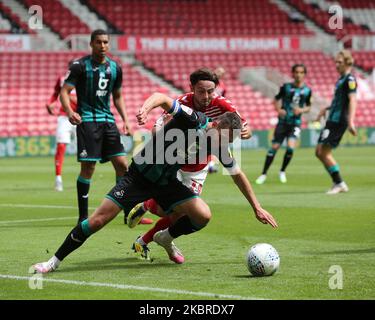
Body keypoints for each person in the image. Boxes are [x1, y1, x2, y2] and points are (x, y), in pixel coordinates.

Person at [32, 92, 278, 273]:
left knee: (202, 215)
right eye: (229, 137)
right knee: (97, 221)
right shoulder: (195, 119)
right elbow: (161, 97)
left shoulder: (217, 143)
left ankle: (164, 237)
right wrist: (144, 109)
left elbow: (237, 175)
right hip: (138, 177)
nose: (228, 143)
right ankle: (53, 262)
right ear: (218, 125)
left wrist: (256, 207)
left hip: (166, 183)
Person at [128, 68, 251, 262]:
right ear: (192, 89)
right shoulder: (183, 102)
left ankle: (145, 234)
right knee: (177, 211)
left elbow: (243, 128)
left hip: (198, 168)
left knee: (182, 215)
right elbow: (157, 127)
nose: (207, 96)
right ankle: (150, 231)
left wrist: (246, 133)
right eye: (201, 91)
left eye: (211, 91)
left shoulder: (222, 104)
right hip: (176, 164)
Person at [59, 29, 133, 223]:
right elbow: (64, 92)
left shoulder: (115, 68)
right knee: (88, 168)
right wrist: (69, 112)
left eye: (106, 42)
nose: (103, 46)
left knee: (122, 165)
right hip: (88, 122)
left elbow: (117, 96)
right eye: (99, 42)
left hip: (108, 122)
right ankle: (83, 216)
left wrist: (125, 119)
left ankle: (125, 211)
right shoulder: (79, 66)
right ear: (91, 44)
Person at [256, 64, 312, 184]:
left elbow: (308, 106)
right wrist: (279, 110)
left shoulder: (307, 90)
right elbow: (276, 99)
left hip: (295, 123)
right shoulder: (286, 87)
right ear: (293, 73)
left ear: (304, 74)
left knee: (291, 149)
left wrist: (301, 110)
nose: (298, 74)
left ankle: (282, 171)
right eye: (296, 72)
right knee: (273, 148)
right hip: (282, 123)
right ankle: (263, 174)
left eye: (301, 72)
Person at [315, 50, 357, 194]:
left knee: (324, 152)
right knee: (319, 152)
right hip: (331, 119)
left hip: (339, 121)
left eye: (339, 62)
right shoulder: (341, 80)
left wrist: (351, 121)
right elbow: (339, 101)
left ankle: (339, 183)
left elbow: (352, 100)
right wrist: (325, 109)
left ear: (347, 62)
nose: (336, 65)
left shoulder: (350, 80)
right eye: (336, 62)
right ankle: (337, 182)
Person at [46, 60, 77, 191]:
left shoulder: (85, 80)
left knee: (87, 149)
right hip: (64, 117)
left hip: (82, 117)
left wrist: (66, 96)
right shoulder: (62, 79)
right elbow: (55, 93)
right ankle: (58, 178)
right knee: (61, 146)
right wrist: (50, 103)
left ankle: (86, 178)